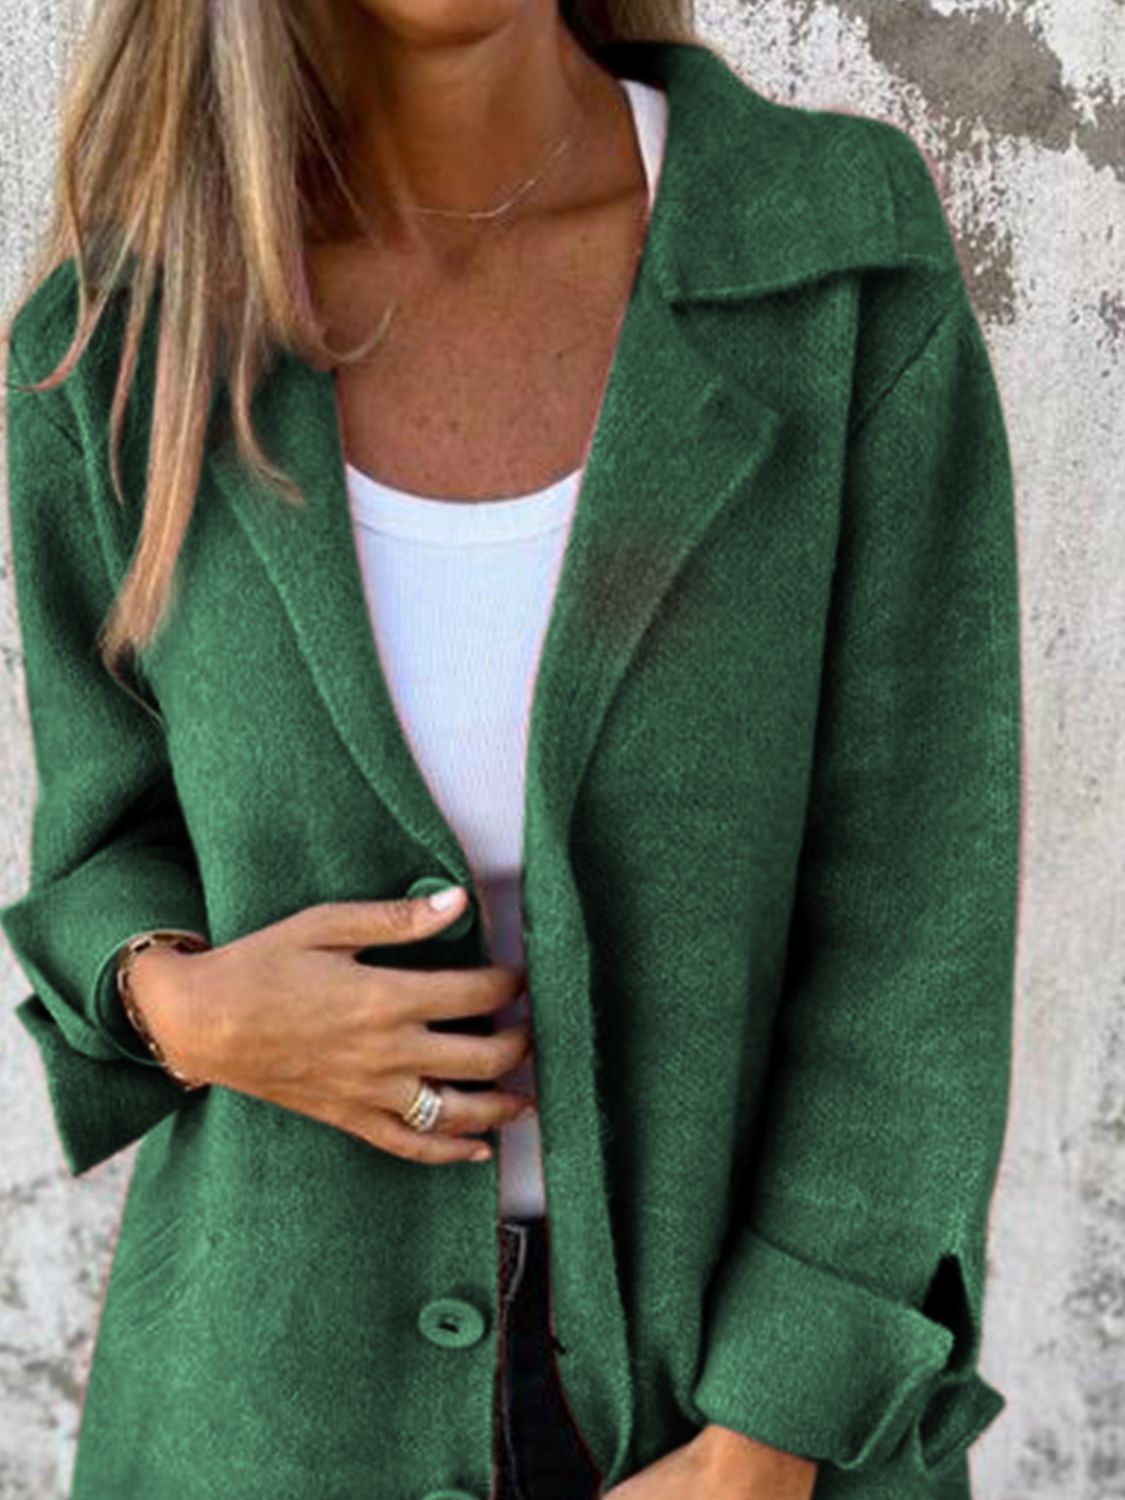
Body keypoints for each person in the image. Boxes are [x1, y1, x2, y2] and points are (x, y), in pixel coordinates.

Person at [0, 1, 1022, 1498]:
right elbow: (103, 837)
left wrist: (771, 1434)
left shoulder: (829, 260)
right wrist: (184, 1007)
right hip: (269, 1409)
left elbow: (918, 915)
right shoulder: (122, 342)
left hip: (716, 1422)